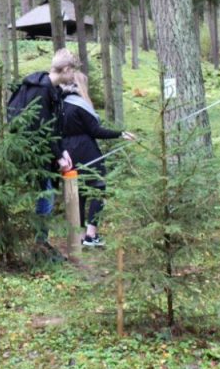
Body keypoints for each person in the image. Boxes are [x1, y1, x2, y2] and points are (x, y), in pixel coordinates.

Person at [11, 48, 79, 256]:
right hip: (34, 151)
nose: (73, 76)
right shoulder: (40, 90)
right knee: (46, 195)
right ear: (66, 69)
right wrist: (58, 155)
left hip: (45, 151)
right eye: (72, 71)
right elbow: (41, 126)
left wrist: (63, 151)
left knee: (47, 194)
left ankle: (41, 241)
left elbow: (54, 126)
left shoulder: (53, 90)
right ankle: (39, 244)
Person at [61, 72, 135, 247]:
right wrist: (120, 133)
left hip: (67, 152)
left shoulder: (59, 103)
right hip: (86, 150)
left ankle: (78, 236)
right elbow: (96, 131)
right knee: (98, 188)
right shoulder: (80, 105)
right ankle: (90, 234)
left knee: (78, 192)